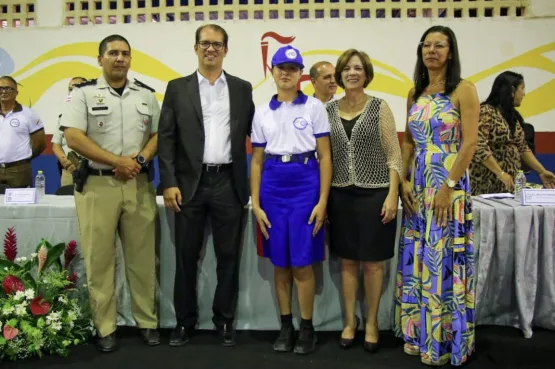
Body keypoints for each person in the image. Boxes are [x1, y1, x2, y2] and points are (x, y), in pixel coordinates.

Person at [60, 34, 160, 352]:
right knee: (100, 261)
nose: (120, 58)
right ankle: (105, 327)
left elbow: (158, 134)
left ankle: (147, 321)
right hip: (97, 186)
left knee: (142, 260)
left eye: (125, 53)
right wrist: (117, 161)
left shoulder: (145, 95)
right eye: (113, 53)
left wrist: (139, 160)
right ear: (100, 58)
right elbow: (73, 137)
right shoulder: (83, 94)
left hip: (138, 185)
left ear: (131, 59)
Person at [157, 24, 255, 347]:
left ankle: (224, 321)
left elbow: (255, 135)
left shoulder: (242, 89)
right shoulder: (177, 88)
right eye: (205, 43)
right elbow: (167, 139)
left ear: (226, 50)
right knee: (186, 257)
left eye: (217, 44)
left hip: (229, 183)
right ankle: (184, 322)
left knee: (228, 258)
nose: (210, 49)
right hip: (189, 186)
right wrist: (168, 182)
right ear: (195, 48)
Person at [394, 25, 479, 366]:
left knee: (443, 260)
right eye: (426, 45)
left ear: (451, 51)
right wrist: (402, 180)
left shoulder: (464, 90)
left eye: (439, 45)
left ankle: (445, 341)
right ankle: (418, 335)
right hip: (418, 187)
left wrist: (448, 187)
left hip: (450, 185)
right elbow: (409, 143)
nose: (431, 50)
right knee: (420, 257)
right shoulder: (415, 92)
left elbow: (470, 143)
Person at [250, 45, 332, 355]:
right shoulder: (260, 112)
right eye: (280, 67)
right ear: (271, 72)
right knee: (280, 264)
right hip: (272, 186)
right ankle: (286, 325)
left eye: (293, 68)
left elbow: (325, 156)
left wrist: (323, 200)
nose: (286, 72)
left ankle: (307, 328)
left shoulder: (314, 107)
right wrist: (256, 204)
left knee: (302, 262)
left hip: (305, 183)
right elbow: (256, 161)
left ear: (301, 74)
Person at [325, 49, 402, 353]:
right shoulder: (328, 111)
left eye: (358, 68)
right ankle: (349, 321)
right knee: (346, 261)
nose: (352, 73)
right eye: (346, 68)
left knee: (372, 264)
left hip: (376, 193)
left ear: (366, 73)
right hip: (340, 194)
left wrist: (393, 194)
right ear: (340, 75)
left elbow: (394, 154)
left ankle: (371, 321)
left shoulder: (379, 107)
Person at [470, 71, 555, 194]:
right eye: (522, 88)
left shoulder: (512, 117)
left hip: (508, 184)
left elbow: (523, 148)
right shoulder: (486, 111)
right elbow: (479, 146)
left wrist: (542, 171)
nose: (524, 94)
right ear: (511, 90)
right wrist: (501, 173)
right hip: (486, 184)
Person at [0, 76, 46, 188]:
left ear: (16, 92)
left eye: (8, 88)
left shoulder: (28, 114)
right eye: (1, 88)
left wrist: (23, 159)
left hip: (19, 171)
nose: (4, 91)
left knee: (19, 205)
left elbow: (40, 143)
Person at [52, 77, 87, 187]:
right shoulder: (63, 117)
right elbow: (56, 144)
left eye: (78, 88)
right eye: (71, 89)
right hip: (69, 171)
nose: (73, 92)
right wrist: (65, 161)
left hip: (91, 171)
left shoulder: (96, 116)